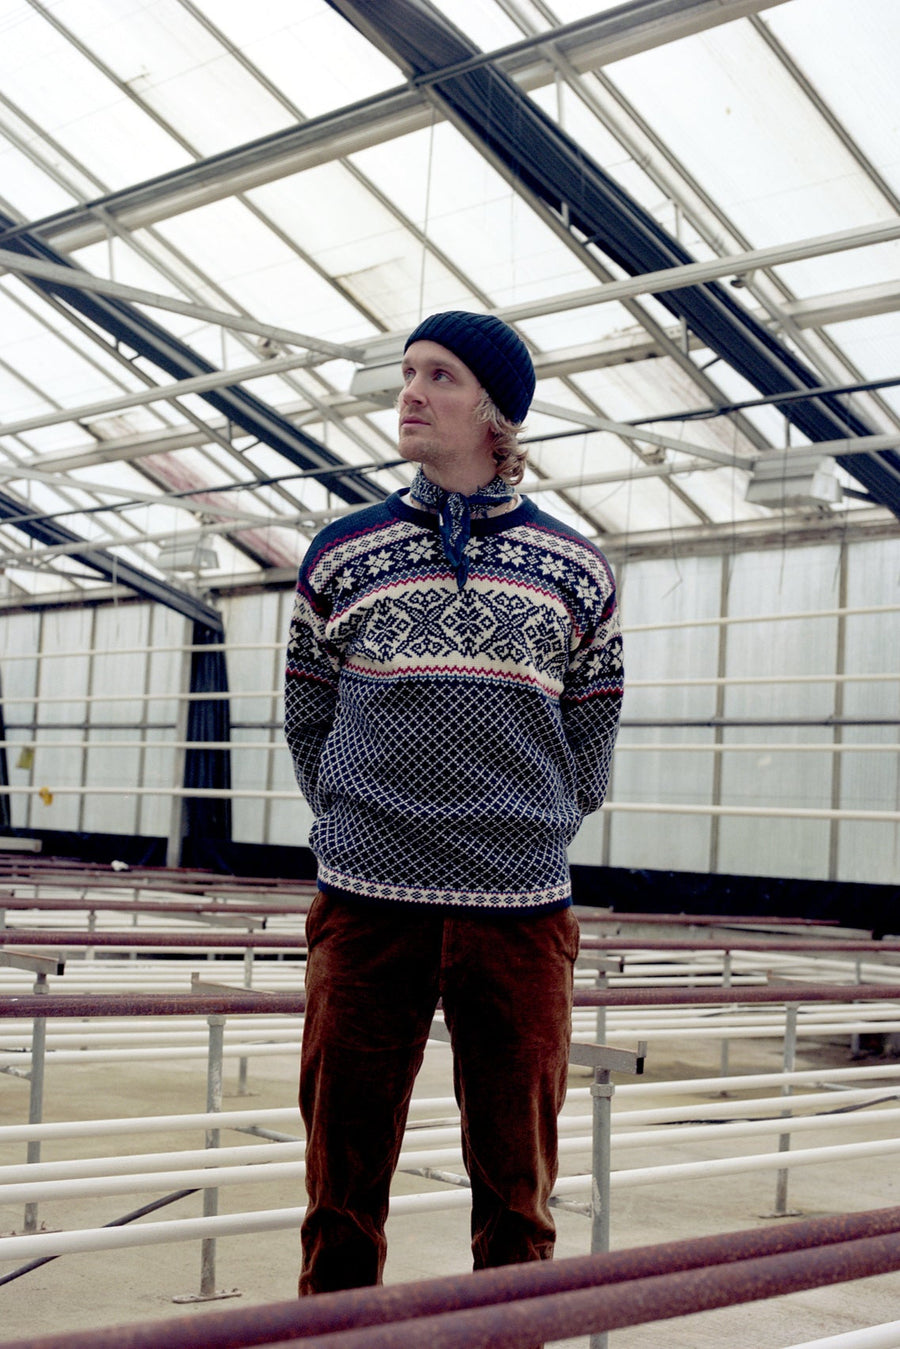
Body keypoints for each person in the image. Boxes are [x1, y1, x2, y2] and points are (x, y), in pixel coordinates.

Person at [284, 309, 623, 1299]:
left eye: (441, 375)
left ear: (495, 411)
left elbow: (593, 734)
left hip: (519, 915)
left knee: (517, 1195)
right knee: (341, 1192)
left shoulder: (577, 568)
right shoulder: (341, 553)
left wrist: (529, 830)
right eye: (408, 372)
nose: (412, 392)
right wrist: (358, 823)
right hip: (365, 906)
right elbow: (307, 717)